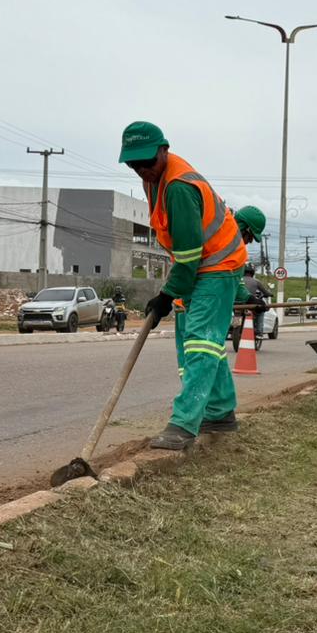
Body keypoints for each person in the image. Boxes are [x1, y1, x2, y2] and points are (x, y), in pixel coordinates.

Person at [120, 121, 250, 450]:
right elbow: (183, 251)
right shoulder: (155, 179)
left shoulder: (178, 186)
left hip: (217, 265)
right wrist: (171, 291)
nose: (142, 170)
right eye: (134, 165)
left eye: (147, 162)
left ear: (164, 150)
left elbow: (189, 254)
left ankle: (184, 424)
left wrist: (167, 294)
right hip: (202, 265)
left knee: (201, 343)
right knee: (206, 344)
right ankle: (220, 413)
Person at [241, 263, 271, 340]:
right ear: (252, 272)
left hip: (235, 302)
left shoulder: (237, 280)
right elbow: (265, 292)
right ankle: (259, 332)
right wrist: (269, 294)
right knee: (261, 310)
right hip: (249, 301)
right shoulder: (256, 281)